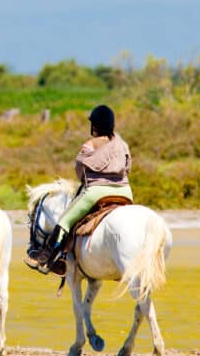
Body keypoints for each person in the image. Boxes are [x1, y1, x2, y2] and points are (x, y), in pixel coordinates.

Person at [26, 105, 132, 273]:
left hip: (97, 192)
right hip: (125, 191)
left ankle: (48, 258)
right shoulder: (122, 145)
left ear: (95, 125)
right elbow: (128, 168)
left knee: (64, 221)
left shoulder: (90, 144)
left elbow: (79, 169)